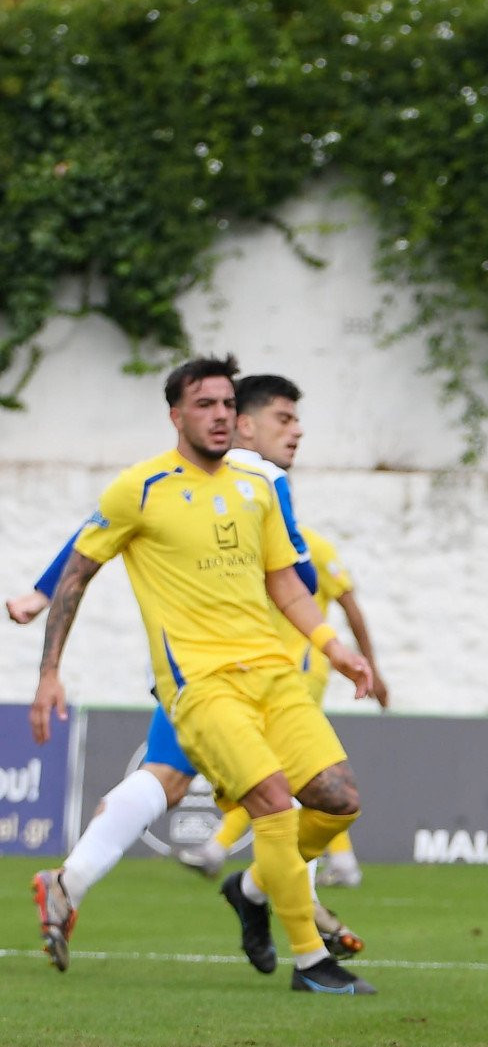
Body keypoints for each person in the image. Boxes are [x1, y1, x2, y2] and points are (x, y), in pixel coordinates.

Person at [28, 356, 379, 994]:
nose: (219, 415)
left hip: (273, 675)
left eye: (226, 404)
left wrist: (336, 648)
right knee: (267, 799)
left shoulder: (259, 485)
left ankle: (250, 887)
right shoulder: (141, 487)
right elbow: (82, 561)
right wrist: (46, 657)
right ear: (177, 414)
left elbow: (285, 581)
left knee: (337, 800)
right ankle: (310, 960)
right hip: (200, 683)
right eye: (207, 405)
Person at [181, 374, 390, 893]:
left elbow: (342, 602)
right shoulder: (188, 499)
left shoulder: (308, 543)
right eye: (286, 419)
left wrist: (354, 657)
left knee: (289, 783)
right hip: (234, 671)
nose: (297, 431)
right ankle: (290, 883)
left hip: (297, 669)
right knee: (288, 785)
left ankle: (255, 871)